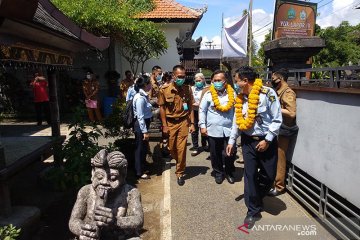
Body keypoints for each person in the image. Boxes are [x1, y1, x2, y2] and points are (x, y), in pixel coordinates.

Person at [226, 66, 282, 228]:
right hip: (248, 141)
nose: (235, 84)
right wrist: (231, 141)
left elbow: (277, 119)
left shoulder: (267, 94)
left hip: (266, 141)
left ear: (245, 81)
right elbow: (237, 121)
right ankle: (253, 211)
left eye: (237, 81)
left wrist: (268, 140)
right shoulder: (240, 97)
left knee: (269, 176)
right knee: (249, 176)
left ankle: (256, 196)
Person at [69, 149, 143, 240]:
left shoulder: (131, 192)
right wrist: (83, 230)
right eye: (99, 176)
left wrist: (115, 221)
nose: (104, 182)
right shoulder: (86, 191)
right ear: (93, 173)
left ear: (123, 175)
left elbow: (138, 220)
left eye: (113, 178)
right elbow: (74, 220)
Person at [158, 65, 195, 186]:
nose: (182, 79)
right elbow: (162, 108)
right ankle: (178, 160)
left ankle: (180, 172)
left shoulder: (187, 89)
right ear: (173, 76)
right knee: (171, 147)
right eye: (179, 76)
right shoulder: (164, 89)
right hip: (170, 122)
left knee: (182, 148)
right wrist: (164, 125)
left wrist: (192, 123)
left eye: (183, 76)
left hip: (183, 121)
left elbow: (190, 108)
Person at [199, 70, 236, 184]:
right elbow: (202, 110)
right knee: (215, 154)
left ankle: (229, 172)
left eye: (219, 80)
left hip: (228, 130)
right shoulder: (208, 94)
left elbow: (236, 112)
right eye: (214, 80)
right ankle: (218, 172)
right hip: (213, 130)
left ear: (225, 81)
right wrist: (202, 126)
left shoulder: (233, 94)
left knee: (229, 153)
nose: (216, 82)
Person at [268, 68, 298, 197]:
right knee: (274, 155)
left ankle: (279, 186)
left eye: (274, 79)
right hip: (277, 128)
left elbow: (291, 113)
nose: (272, 81)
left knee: (280, 157)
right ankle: (272, 182)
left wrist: (275, 108)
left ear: (281, 79)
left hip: (284, 129)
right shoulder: (278, 91)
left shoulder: (288, 92)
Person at [133, 75, 153, 180]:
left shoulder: (143, 95)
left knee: (143, 147)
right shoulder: (140, 98)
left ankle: (142, 167)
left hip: (144, 123)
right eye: (149, 83)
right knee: (139, 148)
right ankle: (138, 171)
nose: (151, 84)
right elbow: (140, 117)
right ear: (145, 85)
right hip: (141, 125)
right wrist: (144, 131)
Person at [190, 73, 209, 156]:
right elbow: (186, 100)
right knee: (194, 130)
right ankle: (195, 147)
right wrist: (189, 106)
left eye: (199, 80)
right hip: (194, 112)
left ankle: (204, 145)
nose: (198, 82)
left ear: (203, 80)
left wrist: (201, 104)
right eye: (196, 80)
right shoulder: (192, 88)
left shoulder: (207, 88)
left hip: (204, 112)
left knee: (203, 127)